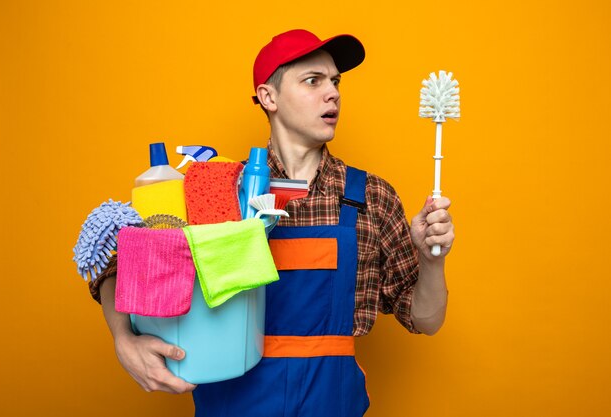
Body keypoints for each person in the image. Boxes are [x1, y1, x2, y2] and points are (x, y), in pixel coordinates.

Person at [90, 29, 454, 416]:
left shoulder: (370, 197)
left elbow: (424, 319)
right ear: (269, 97)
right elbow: (118, 262)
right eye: (313, 81)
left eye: (335, 82)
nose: (332, 93)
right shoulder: (219, 188)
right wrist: (123, 340)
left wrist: (432, 259)